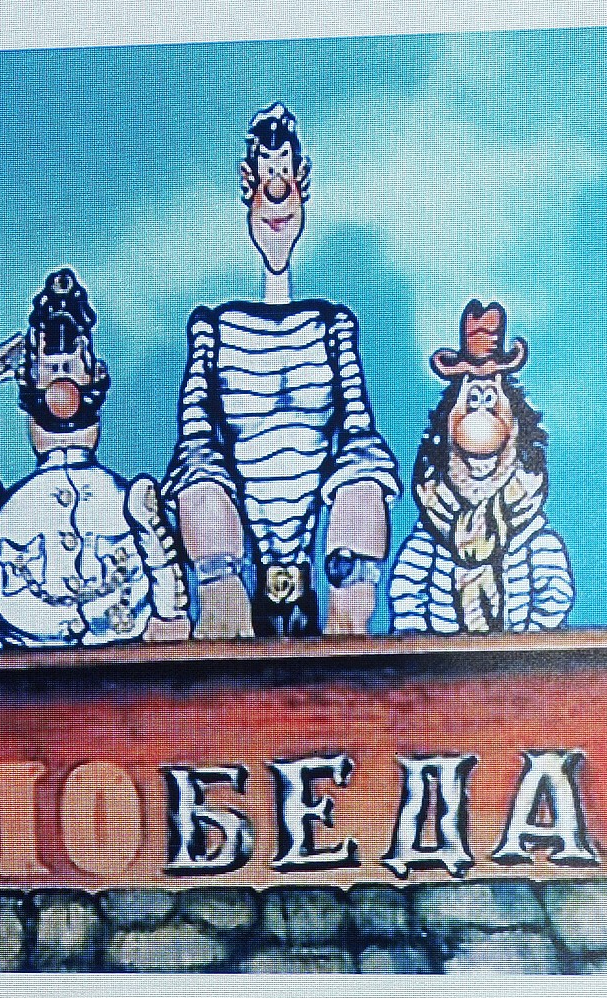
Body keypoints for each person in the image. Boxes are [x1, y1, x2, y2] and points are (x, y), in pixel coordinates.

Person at [163, 102, 400, 639]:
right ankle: (225, 624)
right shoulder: (213, 329)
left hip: (321, 550)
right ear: (249, 185)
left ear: (302, 184)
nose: (277, 193)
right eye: (266, 175)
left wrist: (358, 497)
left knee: (366, 484)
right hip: (233, 555)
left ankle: (346, 640)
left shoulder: (333, 325)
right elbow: (196, 445)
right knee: (198, 488)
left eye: (286, 175)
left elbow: (359, 436)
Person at [0, 267, 189, 647]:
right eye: (49, 362)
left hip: (124, 647)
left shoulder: (127, 501)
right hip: (28, 653)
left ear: (95, 373)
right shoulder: (6, 506)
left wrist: (168, 614)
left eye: (73, 359)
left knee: (153, 522)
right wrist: (5, 360)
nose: (61, 366)